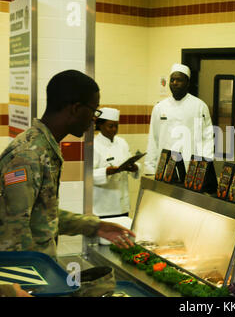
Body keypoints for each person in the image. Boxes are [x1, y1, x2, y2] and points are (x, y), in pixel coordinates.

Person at [0, 70, 135, 296]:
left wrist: (95, 227)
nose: (94, 119)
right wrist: (23, 289)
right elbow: (12, 234)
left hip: (40, 277)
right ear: (75, 108)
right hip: (27, 283)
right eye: (93, 110)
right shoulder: (28, 155)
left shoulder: (45, 149)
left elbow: (42, 216)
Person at [144, 63, 214, 174]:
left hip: (190, 167)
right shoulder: (159, 107)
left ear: (187, 83)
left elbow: (207, 138)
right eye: (172, 80)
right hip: (165, 167)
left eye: (179, 80)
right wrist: (150, 167)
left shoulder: (199, 106)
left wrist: (205, 165)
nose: (175, 83)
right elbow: (153, 139)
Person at [93, 107, 141, 218]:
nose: (114, 129)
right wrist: (106, 172)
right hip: (103, 207)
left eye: (116, 126)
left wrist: (134, 167)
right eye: (110, 126)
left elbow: (129, 161)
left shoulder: (122, 142)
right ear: (100, 125)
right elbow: (87, 176)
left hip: (122, 206)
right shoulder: (94, 145)